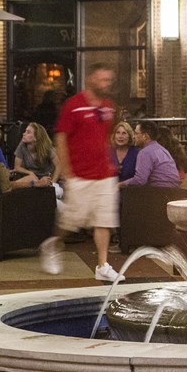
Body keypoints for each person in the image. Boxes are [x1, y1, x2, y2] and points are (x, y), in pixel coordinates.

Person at [40, 62, 125, 283]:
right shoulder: (73, 105)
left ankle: (102, 265)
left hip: (104, 174)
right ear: (91, 79)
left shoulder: (108, 106)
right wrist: (67, 170)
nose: (106, 84)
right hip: (80, 174)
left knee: (103, 220)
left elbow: (106, 136)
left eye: (109, 80)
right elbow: (61, 138)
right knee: (70, 221)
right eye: (102, 79)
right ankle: (52, 245)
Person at [120, 121, 182, 189]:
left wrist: (121, 184)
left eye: (136, 133)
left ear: (145, 136)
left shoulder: (145, 152)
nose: (133, 137)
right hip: (174, 191)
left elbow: (140, 180)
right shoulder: (162, 149)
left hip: (160, 192)